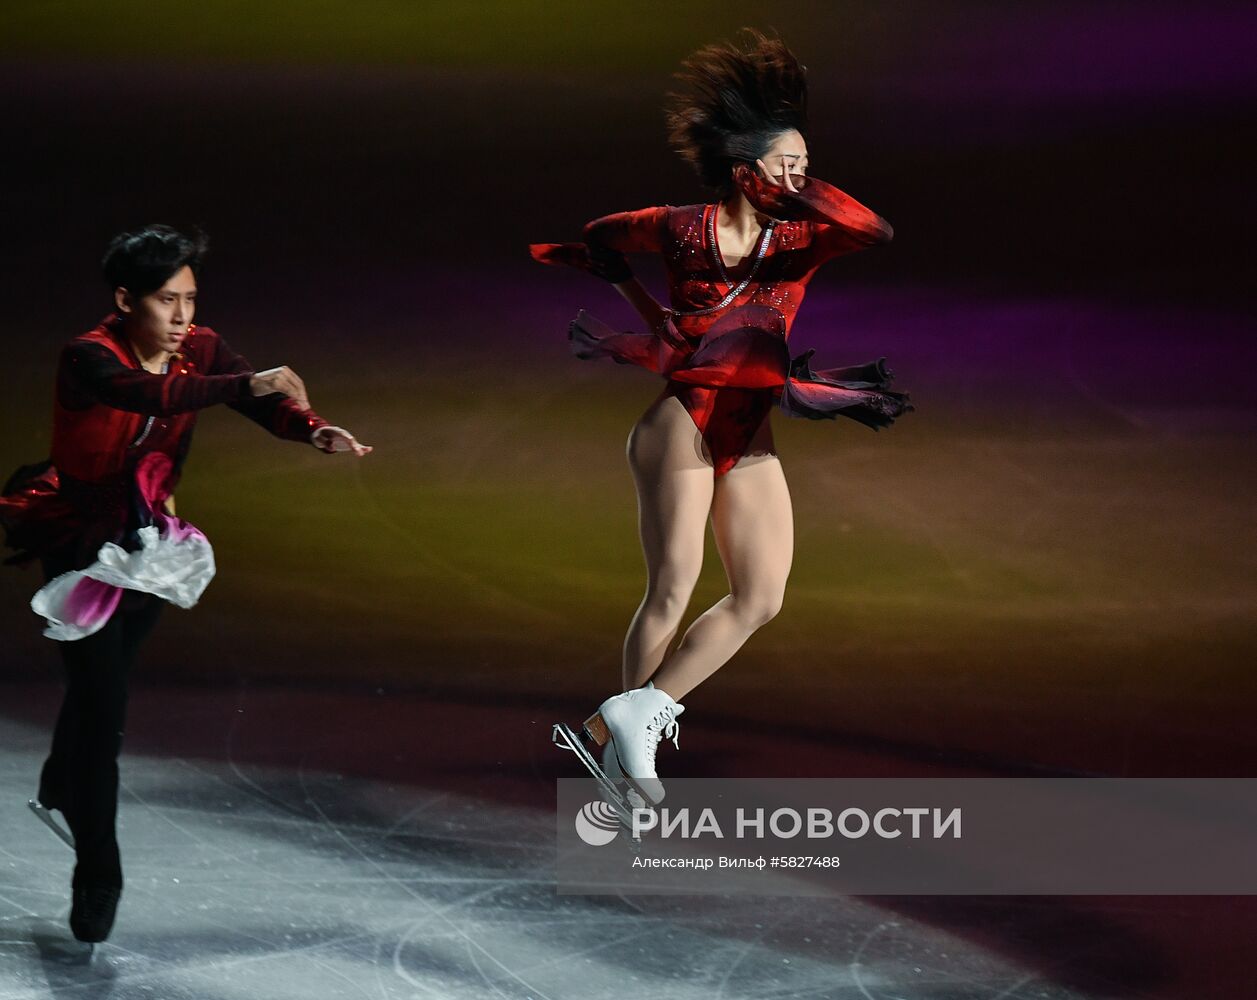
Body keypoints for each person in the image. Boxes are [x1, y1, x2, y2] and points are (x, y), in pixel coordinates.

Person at [531, 30, 910, 807]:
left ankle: (624, 723)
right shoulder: (679, 228)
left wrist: (803, 192)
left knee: (761, 596)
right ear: (747, 170)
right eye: (790, 164)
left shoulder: (799, 241)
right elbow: (605, 233)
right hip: (681, 427)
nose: (804, 177)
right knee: (670, 590)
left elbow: (874, 231)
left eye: (807, 167)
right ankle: (626, 756)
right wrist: (628, 286)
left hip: (751, 432)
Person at [0, 225, 371, 944]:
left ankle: (56, 774)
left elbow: (263, 404)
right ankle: (97, 872)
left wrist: (311, 428)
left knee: (97, 687)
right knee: (103, 707)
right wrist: (247, 381)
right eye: (166, 301)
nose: (181, 319)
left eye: (190, 300)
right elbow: (152, 395)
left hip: (153, 544)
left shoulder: (200, 345)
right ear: (124, 300)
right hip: (80, 545)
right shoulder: (88, 356)